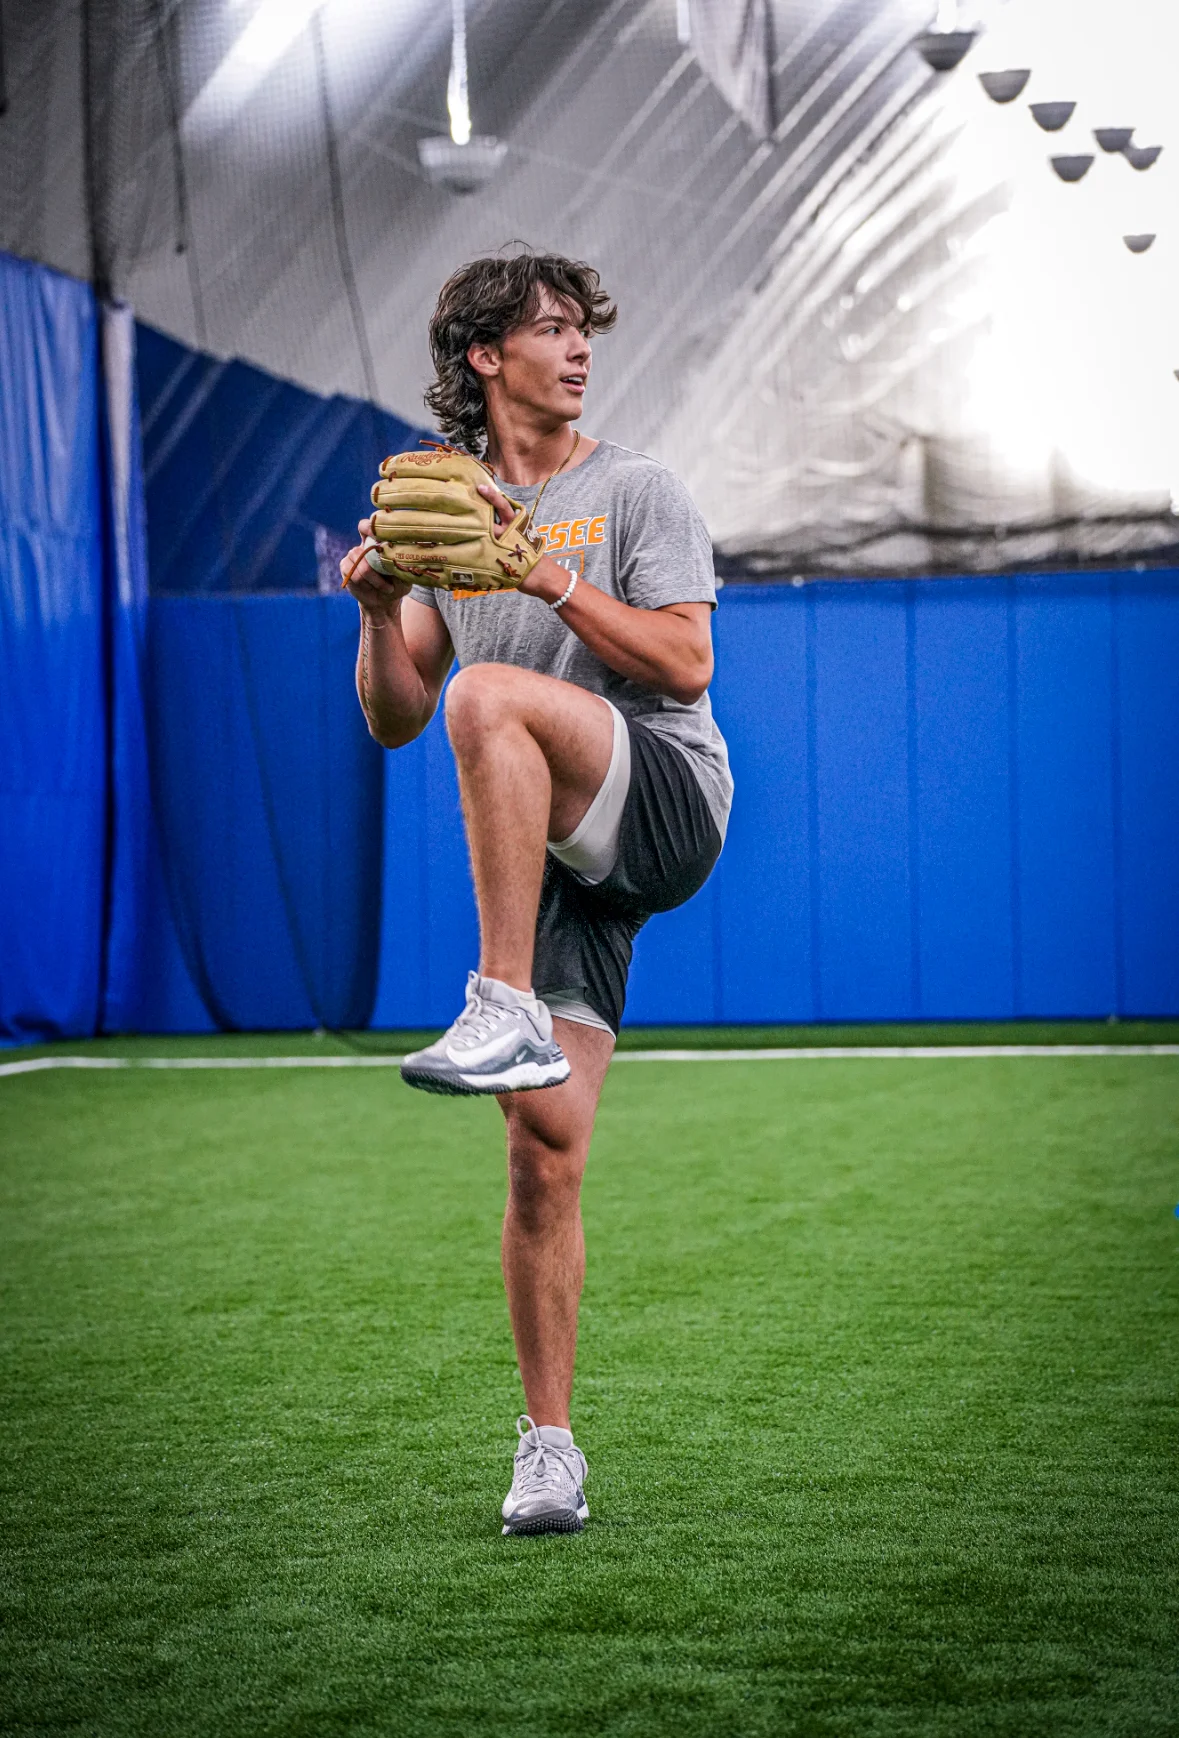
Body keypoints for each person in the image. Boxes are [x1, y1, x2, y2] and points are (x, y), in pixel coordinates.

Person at [341, 252, 732, 1537]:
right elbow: (398, 716)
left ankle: (498, 996)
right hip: (566, 866)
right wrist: (382, 603)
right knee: (541, 1150)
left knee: (492, 693)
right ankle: (550, 1450)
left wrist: (545, 579)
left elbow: (685, 659)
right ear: (484, 359)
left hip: (663, 794)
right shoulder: (447, 513)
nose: (576, 350)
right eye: (549, 331)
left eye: (581, 330)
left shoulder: (634, 487)